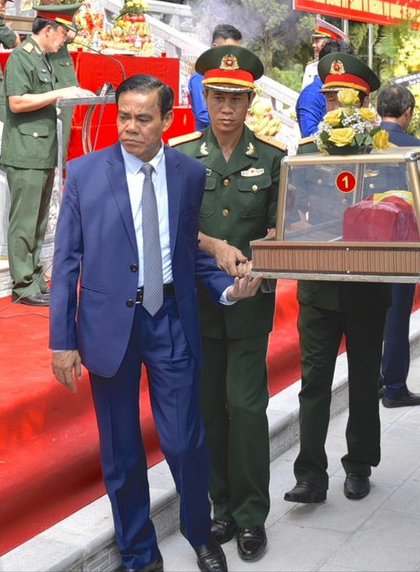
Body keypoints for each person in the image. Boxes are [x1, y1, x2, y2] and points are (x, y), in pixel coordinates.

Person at [49, 74, 263, 572]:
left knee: (187, 440)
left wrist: (228, 289)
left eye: (143, 118)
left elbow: (189, 251)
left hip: (169, 318)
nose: (130, 127)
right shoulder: (84, 173)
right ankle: (138, 551)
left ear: (167, 120)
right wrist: (62, 340)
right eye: (123, 116)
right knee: (121, 450)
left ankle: (199, 533)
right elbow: (65, 262)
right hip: (107, 329)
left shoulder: (188, 174)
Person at [170, 45, 285, 561]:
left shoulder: (273, 160)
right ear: (204, 97)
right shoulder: (183, 158)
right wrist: (212, 246)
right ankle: (221, 507)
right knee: (210, 408)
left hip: (250, 300)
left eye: (236, 99)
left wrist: (261, 265)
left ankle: (252, 515)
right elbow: (175, 229)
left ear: (249, 102)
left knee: (246, 406)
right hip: (198, 303)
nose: (226, 108)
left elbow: (284, 230)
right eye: (217, 97)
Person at [285, 51, 393, 506]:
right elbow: (292, 215)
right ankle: (310, 474)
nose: (338, 109)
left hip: (368, 285)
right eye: (331, 99)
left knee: (366, 381)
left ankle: (360, 463)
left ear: (366, 102)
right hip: (318, 284)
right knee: (314, 384)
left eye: (348, 99)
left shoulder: (385, 151)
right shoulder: (308, 153)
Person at [2, 4, 93, 305]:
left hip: (44, 150)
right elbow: (16, 102)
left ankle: (35, 277)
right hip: (26, 151)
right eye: (62, 32)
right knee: (25, 222)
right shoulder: (22, 58)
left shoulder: (48, 58)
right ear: (48, 29)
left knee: (39, 222)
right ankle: (22, 284)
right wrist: (59, 94)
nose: (64, 39)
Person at [374, 83, 420, 410]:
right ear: (407, 112)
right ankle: (394, 386)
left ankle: (370, 382)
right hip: (402, 242)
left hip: (362, 241)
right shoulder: (418, 147)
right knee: (396, 315)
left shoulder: (360, 142)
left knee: (367, 316)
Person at [295, 19, 347, 137]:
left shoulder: (350, 90)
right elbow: (310, 137)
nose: (314, 45)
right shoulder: (311, 94)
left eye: (318, 41)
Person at [189, 25, 243, 132]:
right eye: (229, 50)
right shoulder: (201, 76)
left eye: (237, 51)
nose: (233, 56)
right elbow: (202, 114)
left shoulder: (232, 75)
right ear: (215, 47)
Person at [35, 0, 80, 88]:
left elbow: (71, 35)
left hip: (60, 66)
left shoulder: (65, 13)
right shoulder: (32, 12)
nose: (51, 0)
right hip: (38, 64)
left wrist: (58, 21)